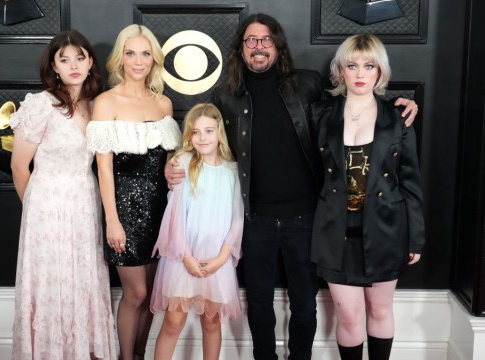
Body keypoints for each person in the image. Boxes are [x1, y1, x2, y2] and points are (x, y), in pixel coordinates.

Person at [165, 13, 420, 360]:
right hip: (256, 219)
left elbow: (356, 105)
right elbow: (204, 138)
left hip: (307, 218)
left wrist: (398, 105)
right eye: (250, 40)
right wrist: (173, 163)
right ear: (241, 49)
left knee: (304, 303)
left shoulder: (308, 85)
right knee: (258, 301)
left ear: (278, 45)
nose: (258, 47)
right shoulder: (226, 97)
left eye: (266, 39)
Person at [310, 33, 425, 360]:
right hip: (334, 230)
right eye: (352, 65)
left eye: (369, 65)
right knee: (348, 316)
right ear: (340, 70)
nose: (360, 73)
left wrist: (416, 238)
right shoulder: (321, 114)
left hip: (387, 228)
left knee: (380, 310)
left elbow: (411, 181)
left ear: (379, 71)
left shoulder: (399, 117)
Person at [10, 30, 116, 359]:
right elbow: (18, 167)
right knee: (50, 279)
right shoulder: (41, 104)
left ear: (90, 63)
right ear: (54, 66)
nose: (73, 65)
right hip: (45, 204)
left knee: (82, 276)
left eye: (80, 58)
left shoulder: (98, 105)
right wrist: (35, 213)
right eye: (64, 59)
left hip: (84, 202)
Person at [86, 24, 181, 360]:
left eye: (145, 53)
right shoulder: (105, 102)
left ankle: (140, 355)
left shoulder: (164, 104)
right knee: (136, 293)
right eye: (130, 53)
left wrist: (174, 170)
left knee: (153, 295)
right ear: (120, 59)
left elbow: (169, 163)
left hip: (161, 210)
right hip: (124, 210)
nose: (138, 61)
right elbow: (103, 168)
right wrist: (112, 220)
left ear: (154, 58)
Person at [150, 103, 244, 360]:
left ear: (219, 132)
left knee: (212, 324)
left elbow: (237, 219)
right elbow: (174, 217)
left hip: (216, 260)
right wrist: (187, 257)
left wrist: (222, 258)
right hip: (183, 258)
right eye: (196, 132)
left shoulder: (233, 170)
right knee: (173, 323)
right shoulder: (182, 162)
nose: (203, 138)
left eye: (209, 131)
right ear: (188, 136)